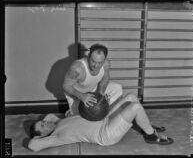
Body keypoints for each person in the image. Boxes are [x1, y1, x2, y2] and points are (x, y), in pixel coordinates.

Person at [28, 93, 174, 152]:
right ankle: (150, 135)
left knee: (130, 97)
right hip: (106, 134)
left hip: (105, 119)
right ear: (42, 135)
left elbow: (49, 116)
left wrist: (43, 124)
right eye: (43, 126)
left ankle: (144, 125)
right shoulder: (56, 137)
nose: (46, 123)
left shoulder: (60, 122)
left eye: (43, 122)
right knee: (134, 107)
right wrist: (41, 138)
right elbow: (32, 145)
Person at [62, 43, 123, 116]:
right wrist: (81, 96)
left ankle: (108, 114)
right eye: (93, 61)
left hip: (93, 89)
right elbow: (65, 85)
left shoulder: (106, 64)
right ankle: (70, 113)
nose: (95, 66)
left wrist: (100, 92)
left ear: (104, 60)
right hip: (76, 95)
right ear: (88, 57)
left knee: (117, 88)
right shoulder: (77, 68)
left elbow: (105, 78)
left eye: (99, 63)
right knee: (81, 122)